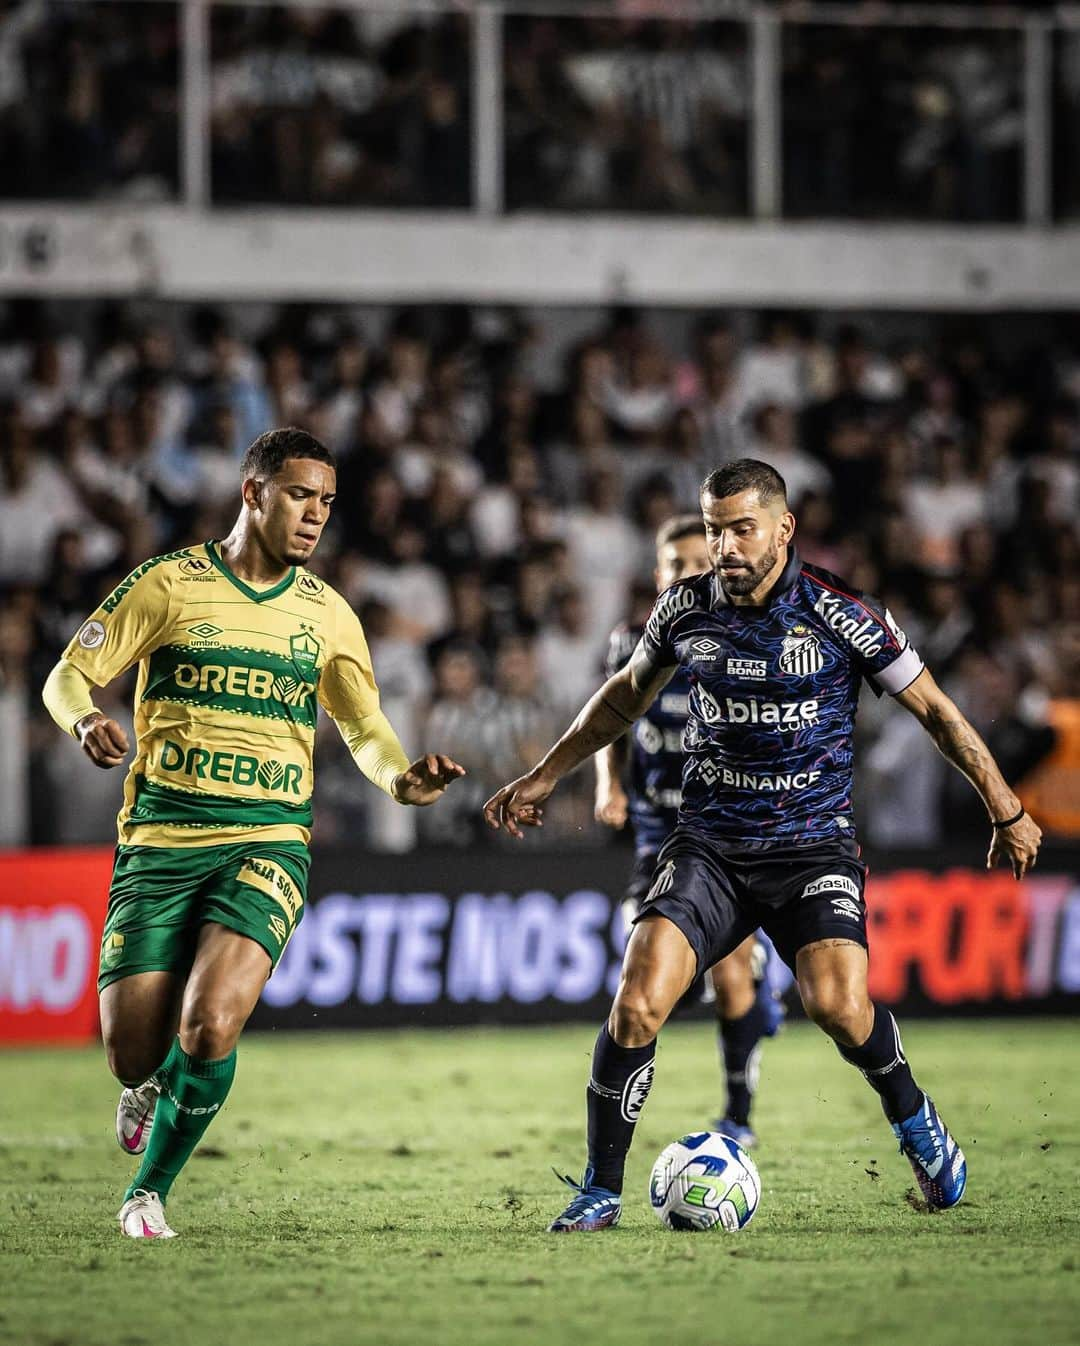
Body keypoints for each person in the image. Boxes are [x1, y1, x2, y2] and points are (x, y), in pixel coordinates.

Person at [484, 458, 1042, 1233]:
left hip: (813, 849)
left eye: (741, 529)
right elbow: (622, 696)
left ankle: (920, 1126)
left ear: (783, 528)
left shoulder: (844, 613)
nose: (725, 547)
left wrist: (1006, 808)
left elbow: (938, 713)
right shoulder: (685, 608)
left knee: (839, 1007)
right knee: (638, 1003)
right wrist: (547, 775)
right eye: (714, 531)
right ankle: (599, 1189)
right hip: (710, 845)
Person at [41, 426, 467, 1240]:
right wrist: (85, 717)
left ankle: (147, 1192)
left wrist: (403, 778)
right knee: (132, 1054)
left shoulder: (329, 615)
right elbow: (67, 673)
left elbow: (365, 727)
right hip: (161, 843)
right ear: (254, 493)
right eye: (302, 496)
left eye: (327, 503)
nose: (316, 516)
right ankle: (154, 1079)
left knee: (211, 1023)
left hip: (268, 841)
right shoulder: (167, 585)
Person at [595, 514, 781, 1149]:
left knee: (727, 976)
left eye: (700, 563)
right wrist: (608, 785)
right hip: (657, 838)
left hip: (723, 834)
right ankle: (759, 993)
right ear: (658, 575)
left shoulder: (742, 639)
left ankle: (739, 1111)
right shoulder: (629, 642)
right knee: (647, 978)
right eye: (676, 565)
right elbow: (611, 721)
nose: (688, 574)